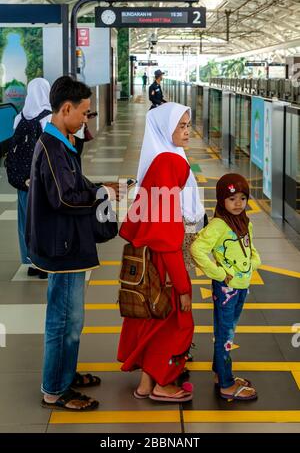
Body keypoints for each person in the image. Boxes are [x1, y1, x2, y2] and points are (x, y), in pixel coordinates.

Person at [25, 75, 123, 411]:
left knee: (73, 318)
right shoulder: (51, 147)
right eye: (83, 112)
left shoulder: (62, 142)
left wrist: (99, 185)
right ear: (65, 109)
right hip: (61, 248)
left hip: (68, 246)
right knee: (63, 319)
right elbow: (65, 198)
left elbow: (74, 184)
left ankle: (65, 373)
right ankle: (54, 389)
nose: (85, 119)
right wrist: (101, 193)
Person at [118, 102, 205, 402]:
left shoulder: (159, 159)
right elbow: (167, 235)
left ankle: (146, 384)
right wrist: (183, 286)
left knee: (157, 322)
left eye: (187, 123)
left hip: (152, 260)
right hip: (165, 261)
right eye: (181, 125)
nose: (187, 131)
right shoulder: (169, 162)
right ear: (164, 129)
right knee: (180, 321)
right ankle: (162, 383)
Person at [190, 173, 261, 401]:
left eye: (242, 198)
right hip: (227, 289)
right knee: (225, 334)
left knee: (227, 331)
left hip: (241, 286)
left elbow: (250, 247)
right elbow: (197, 249)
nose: (238, 203)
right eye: (232, 199)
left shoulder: (244, 221)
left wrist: (253, 263)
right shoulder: (219, 225)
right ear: (222, 200)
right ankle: (226, 385)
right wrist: (219, 273)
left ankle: (220, 373)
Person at [13, 78, 52, 279]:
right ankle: (43, 262)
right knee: (43, 219)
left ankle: (30, 261)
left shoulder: (19, 118)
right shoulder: (49, 118)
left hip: (22, 180)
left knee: (25, 220)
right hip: (42, 179)